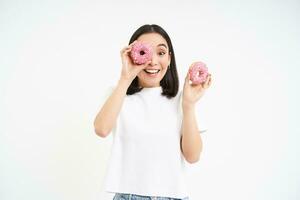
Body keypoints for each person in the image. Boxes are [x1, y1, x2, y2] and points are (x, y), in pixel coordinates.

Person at [94, 24, 212, 200]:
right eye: (145, 53)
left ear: (170, 58)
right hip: (129, 196)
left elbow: (193, 156)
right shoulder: (118, 94)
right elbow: (101, 129)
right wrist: (126, 78)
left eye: (161, 53)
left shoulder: (183, 100)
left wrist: (188, 106)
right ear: (132, 55)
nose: (153, 61)